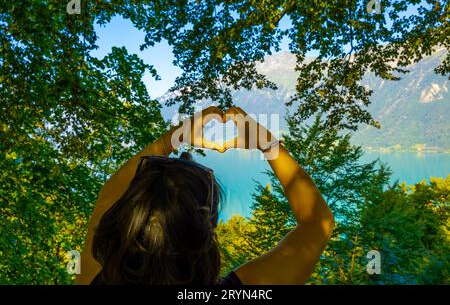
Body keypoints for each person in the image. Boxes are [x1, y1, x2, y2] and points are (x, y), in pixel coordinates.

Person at [76, 106, 334, 285]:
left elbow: (109, 194)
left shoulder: (95, 278)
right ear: (205, 234)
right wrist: (264, 141)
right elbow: (317, 223)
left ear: (123, 222)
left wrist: (174, 138)